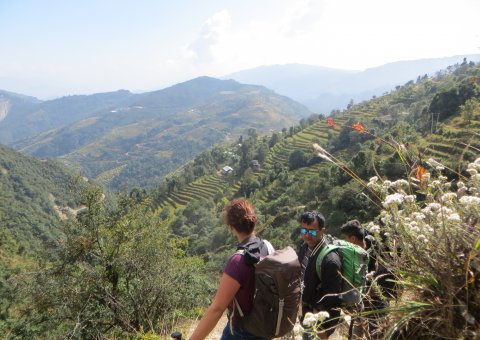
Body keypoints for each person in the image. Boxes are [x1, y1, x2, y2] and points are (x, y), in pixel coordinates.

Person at [190, 199, 270, 340]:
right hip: (263, 326)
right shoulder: (267, 247)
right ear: (254, 221)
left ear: (231, 227)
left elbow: (217, 309)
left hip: (241, 332)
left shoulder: (238, 261)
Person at [340, 220, 396, 339]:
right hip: (363, 300)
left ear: (353, 239)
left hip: (377, 299)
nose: (344, 242)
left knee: (377, 332)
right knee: (358, 329)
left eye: (345, 239)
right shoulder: (360, 251)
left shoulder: (373, 253)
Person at [297, 211, 343, 339]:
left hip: (319, 322)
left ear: (322, 230)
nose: (307, 235)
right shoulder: (305, 248)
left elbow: (335, 299)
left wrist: (326, 331)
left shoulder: (330, 260)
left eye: (311, 232)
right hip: (306, 315)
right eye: (303, 231)